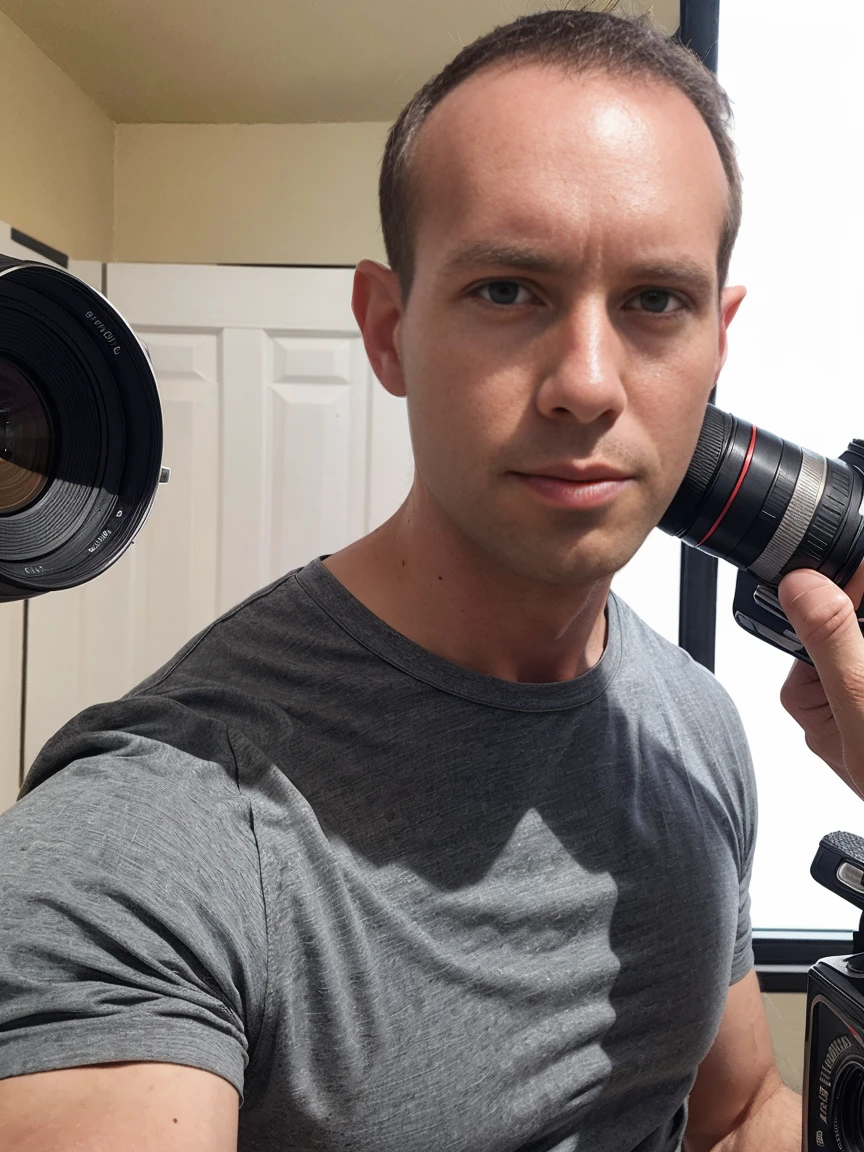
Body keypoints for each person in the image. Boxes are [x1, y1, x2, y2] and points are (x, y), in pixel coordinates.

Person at [0, 8, 813, 1151]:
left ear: (718, 343)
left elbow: (741, 1115)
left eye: (654, 302)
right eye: (507, 291)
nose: (587, 384)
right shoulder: (153, 832)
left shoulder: (699, 730)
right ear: (386, 331)